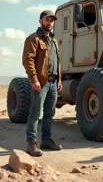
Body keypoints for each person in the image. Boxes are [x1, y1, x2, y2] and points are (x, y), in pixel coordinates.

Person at [22, 10, 63, 157]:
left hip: (53, 83)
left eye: (52, 20)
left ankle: (46, 140)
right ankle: (31, 143)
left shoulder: (54, 40)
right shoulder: (33, 39)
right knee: (35, 114)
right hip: (41, 83)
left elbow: (57, 62)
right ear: (40, 21)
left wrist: (59, 80)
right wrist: (34, 80)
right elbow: (28, 61)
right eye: (47, 20)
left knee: (49, 113)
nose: (50, 23)